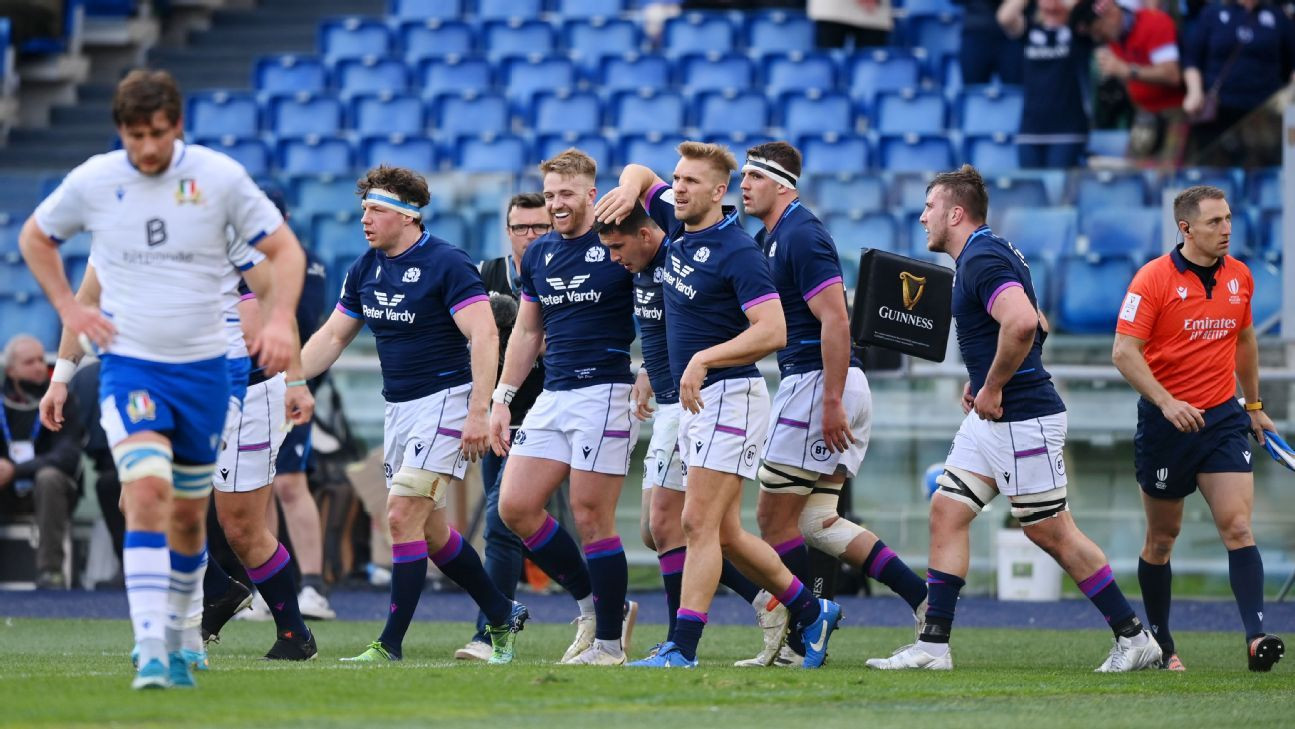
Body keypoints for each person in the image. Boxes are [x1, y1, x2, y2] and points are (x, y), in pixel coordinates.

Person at [21, 69, 305, 690]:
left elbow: (285, 256)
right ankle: (153, 645)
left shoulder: (219, 182)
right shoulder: (98, 184)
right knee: (141, 497)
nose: (146, 148)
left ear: (177, 125)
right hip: (133, 368)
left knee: (184, 515)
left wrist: (281, 320)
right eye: (133, 135)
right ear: (119, 131)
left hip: (208, 374)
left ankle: (184, 633)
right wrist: (66, 343)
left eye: (156, 133)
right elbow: (36, 238)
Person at [866, 164, 1160, 673]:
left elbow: (1023, 323)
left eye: (930, 207)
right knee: (947, 510)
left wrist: (995, 385)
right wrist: (982, 376)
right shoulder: (988, 253)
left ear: (956, 212)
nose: (922, 217)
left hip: (1022, 418)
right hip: (994, 419)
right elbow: (1034, 325)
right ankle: (933, 647)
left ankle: (1134, 637)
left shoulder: (981, 257)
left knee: (1051, 532)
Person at [622, 141, 842, 669]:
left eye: (691, 182)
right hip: (703, 402)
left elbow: (774, 330)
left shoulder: (737, 250)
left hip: (731, 395)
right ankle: (812, 611)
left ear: (720, 193)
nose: (677, 188)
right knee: (723, 532)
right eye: (676, 179)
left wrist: (702, 359)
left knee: (696, 524)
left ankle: (683, 648)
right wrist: (630, 187)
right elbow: (637, 171)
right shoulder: (676, 227)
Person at [299, 165, 529, 664]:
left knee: (401, 516)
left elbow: (486, 334)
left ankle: (390, 644)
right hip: (399, 408)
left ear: (407, 217)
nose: (365, 219)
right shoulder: (364, 268)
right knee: (431, 533)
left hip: (446, 403)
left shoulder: (447, 263)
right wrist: (290, 382)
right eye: (363, 209)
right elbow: (334, 336)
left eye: (376, 210)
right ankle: (501, 610)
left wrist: (478, 411)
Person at [738, 141, 929, 666]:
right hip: (823, 384)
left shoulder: (802, 234)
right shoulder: (771, 236)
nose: (743, 184)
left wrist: (831, 400)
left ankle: (802, 638)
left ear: (783, 184)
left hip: (819, 384)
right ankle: (923, 599)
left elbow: (836, 320)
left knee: (772, 522)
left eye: (754, 176)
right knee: (818, 521)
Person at [592, 196, 782, 663]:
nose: (615, 259)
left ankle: (684, 640)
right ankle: (775, 601)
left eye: (619, 247)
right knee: (667, 530)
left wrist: (635, 182)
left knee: (682, 525)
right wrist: (646, 371)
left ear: (646, 232)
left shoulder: (677, 250)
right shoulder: (637, 267)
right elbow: (664, 329)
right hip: (673, 400)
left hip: (699, 399)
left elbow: (647, 179)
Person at [1112, 185, 1285, 673]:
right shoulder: (1152, 280)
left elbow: (1245, 340)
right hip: (1166, 426)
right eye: (1214, 222)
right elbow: (1123, 352)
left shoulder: (1241, 277)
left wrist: (1253, 405)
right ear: (1185, 228)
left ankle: (1256, 639)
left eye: (1228, 218)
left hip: (1223, 418)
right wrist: (1166, 403)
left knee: (1238, 526)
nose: (1227, 228)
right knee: (1162, 540)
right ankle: (1163, 645)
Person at [493, 148, 640, 666]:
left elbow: (660, 306)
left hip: (605, 390)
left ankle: (608, 645)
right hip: (553, 395)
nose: (556, 205)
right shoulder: (538, 254)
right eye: (550, 194)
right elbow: (528, 331)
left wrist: (650, 369)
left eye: (566, 195)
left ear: (591, 195)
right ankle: (597, 607)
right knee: (514, 506)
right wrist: (501, 398)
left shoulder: (621, 234)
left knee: (591, 516)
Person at [455, 192, 552, 662]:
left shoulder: (566, 269)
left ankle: (491, 630)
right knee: (508, 522)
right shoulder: (484, 275)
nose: (530, 236)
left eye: (540, 227)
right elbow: (460, 336)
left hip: (554, 414)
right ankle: (601, 604)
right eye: (521, 228)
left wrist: (530, 336)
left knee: (502, 520)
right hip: (501, 416)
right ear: (508, 231)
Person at [265, 187, 335, 622]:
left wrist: (297, 383)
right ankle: (266, 586)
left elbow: (303, 326)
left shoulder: (303, 262)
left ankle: (312, 585)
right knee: (256, 487)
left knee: (290, 482)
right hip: (244, 386)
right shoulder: (236, 260)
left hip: (284, 383)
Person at [0, 334, 82, 589]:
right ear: (11, 370)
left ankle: (51, 571)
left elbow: (67, 456)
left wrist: (15, 470)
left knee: (48, 477)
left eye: (40, 359)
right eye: (30, 362)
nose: (39, 366)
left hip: (53, 490)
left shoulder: (62, 400)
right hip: (6, 488)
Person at [1182, 0, 1295, 166]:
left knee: (1262, 169)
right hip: (1218, 110)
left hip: (1264, 111)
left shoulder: (1277, 16)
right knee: (1214, 171)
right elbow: (1192, 59)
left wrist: (1290, 94)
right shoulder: (1212, 12)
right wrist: (1194, 91)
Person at [1074, 0, 1185, 159]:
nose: (1098, 37)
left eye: (1098, 30)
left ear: (1111, 14)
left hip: (1173, 112)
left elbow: (1172, 74)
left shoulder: (1154, 22)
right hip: (1144, 114)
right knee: (1135, 174)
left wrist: (1126, 70)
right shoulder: (1114, 38)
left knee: (1169, 174)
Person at [998, 0, 1092, 168]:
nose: (1052, 6)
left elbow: (1086, 11)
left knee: (1059, 192)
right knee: (1030, 192)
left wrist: (1062, 4)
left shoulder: (1079, 31)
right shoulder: (1030, 30)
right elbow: (1005, 17)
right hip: (1031, 131)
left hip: (1068, 131)